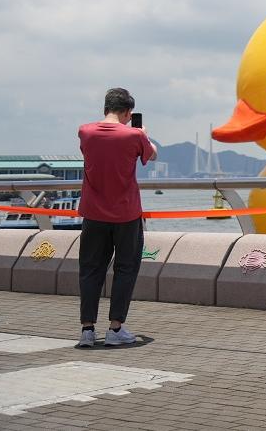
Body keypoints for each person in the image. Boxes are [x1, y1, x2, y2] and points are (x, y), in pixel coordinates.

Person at [76, 87, 158, 348]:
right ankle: (115, 328)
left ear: (105, 108)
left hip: (93, 213)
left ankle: (87, 330)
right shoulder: (133, 135)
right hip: (126, 214)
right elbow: (152, 154)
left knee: (90, 270)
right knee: (125, 269)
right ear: (127, 112)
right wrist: (143, 134)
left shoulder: (85, 132)